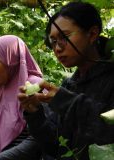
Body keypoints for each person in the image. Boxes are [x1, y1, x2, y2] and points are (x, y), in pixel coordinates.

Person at [18, 2, 114, 160]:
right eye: (53, 41)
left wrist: (65, 101)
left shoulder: (110, 78)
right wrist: (35, 113)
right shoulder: (70, 85)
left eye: (65, 37)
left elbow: (107, 132)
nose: (58, 48)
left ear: (92, 34)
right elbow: (56, 147)